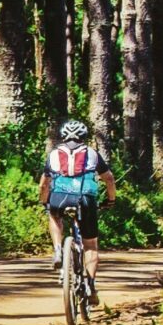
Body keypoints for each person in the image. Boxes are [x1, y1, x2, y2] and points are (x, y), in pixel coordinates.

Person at [41, 118, 117, 302]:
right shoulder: (92, 153)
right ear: (84, 136)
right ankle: (90, 286)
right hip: (86, 199)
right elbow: (109, 179)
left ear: (63, 136)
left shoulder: (53, 154)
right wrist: (111, 200)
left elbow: (44, 184)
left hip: (60, 197)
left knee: (54, 215)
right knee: (90, 244)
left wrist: (44, 201)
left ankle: (58, 249)